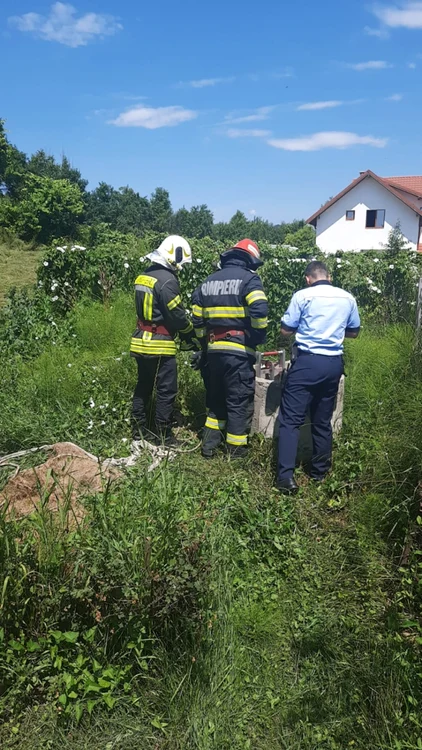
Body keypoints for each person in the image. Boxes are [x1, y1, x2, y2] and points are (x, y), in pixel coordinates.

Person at [277, 260, 360, 494]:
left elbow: (285, 329)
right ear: (329, 276)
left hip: (307, 362)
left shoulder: (302, 296)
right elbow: (353, 332)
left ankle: (285, 478)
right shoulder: (347, 298)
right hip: (333, 364)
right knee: (322, 421)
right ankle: (319, 473)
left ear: (308, 278)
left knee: (291, 421)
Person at [192, 239, 268, 458]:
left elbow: (197, 320)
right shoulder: (250, 280)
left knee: (216, 401)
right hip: (238, 352)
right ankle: (235, 454)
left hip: (214, 352)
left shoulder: (207, 282)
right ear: (250, 260)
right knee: (238, 402)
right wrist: (256, 337)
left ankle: (208, 447)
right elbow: (260, 311)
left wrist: (204, 347)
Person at [130, 235, 200, 446]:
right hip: (160, 343)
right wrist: (189, 332)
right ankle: (163, 435)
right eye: (180, 263)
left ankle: (138, 429)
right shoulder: (168, 281)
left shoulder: (143, 276)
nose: (180, 268)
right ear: (174, 255)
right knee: (166, 389)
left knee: (143, 386)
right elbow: (176, 315)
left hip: (140, 340)